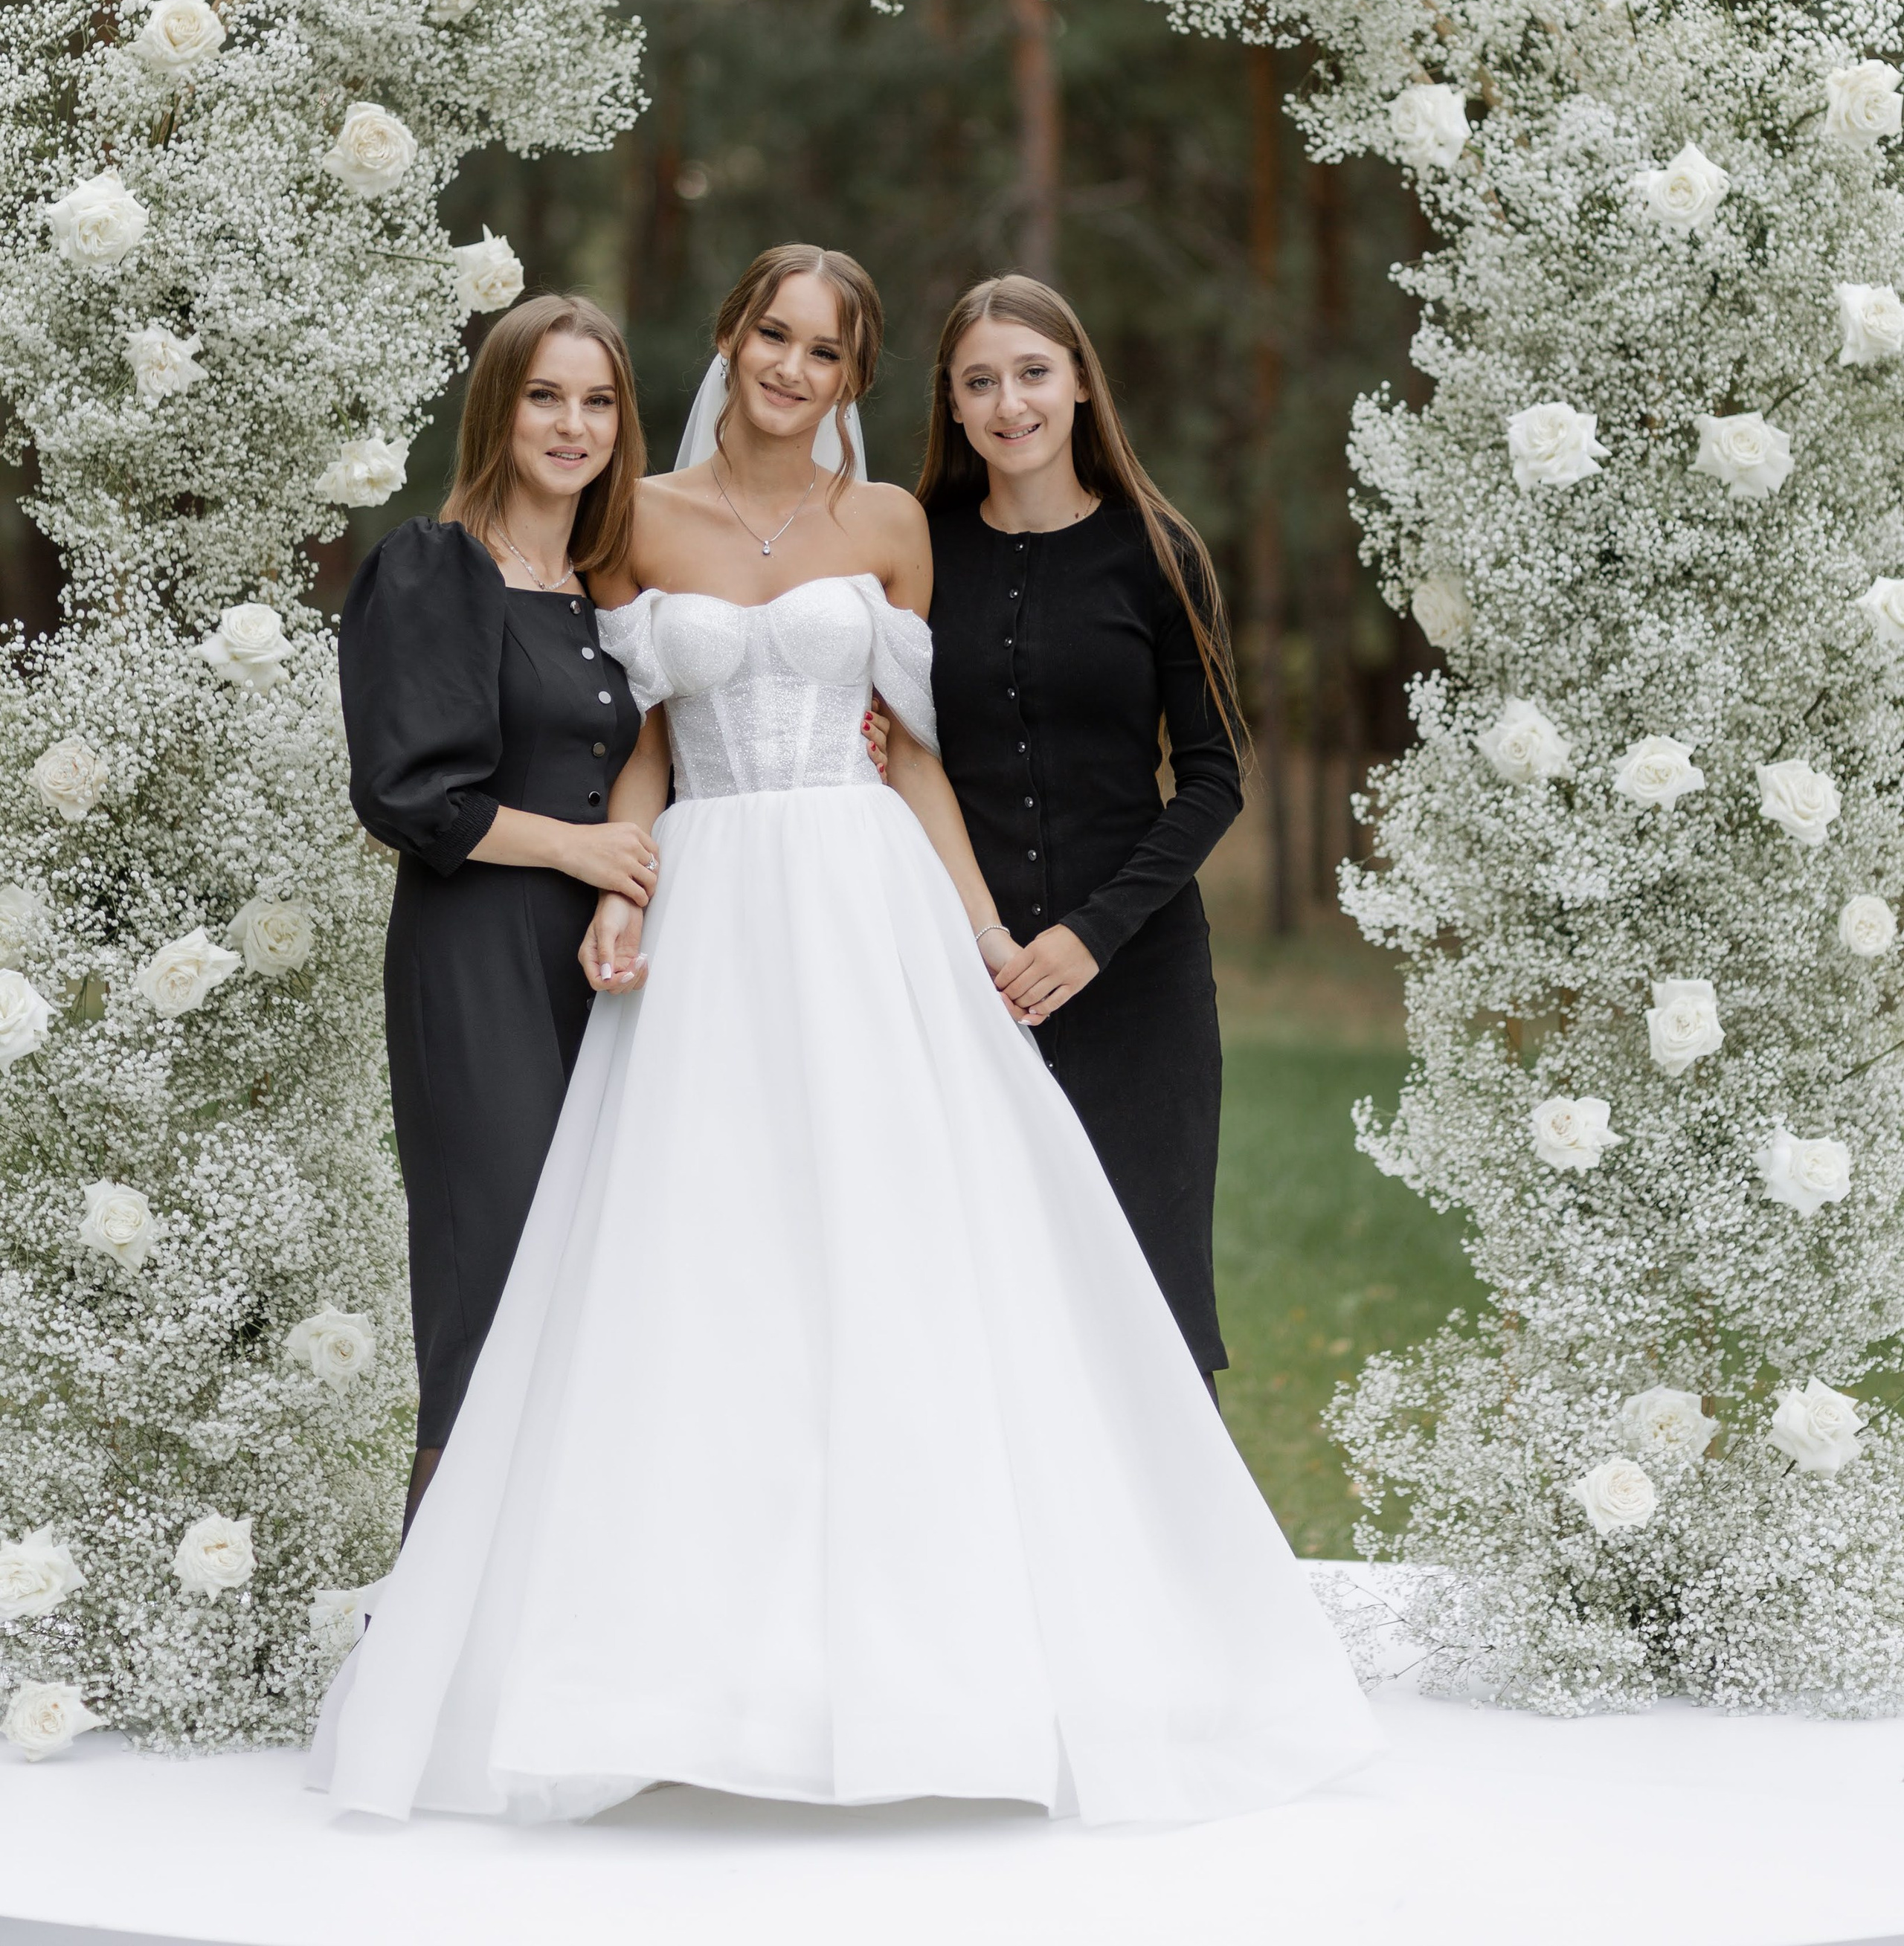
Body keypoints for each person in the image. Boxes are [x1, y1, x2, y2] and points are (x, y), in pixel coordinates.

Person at [314, 245, 1379, 1827]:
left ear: (856, 378)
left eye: (825, 351)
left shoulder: (888, 526)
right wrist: (621, 885)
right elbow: (644, 737)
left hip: (859, 892)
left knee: (903, 1250)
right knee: (701, 1259)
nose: (791, 369)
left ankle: (931, 1650)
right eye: (773, 336)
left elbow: (915, 753)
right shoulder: (636, 519)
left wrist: (983, 933)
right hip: (711, 901)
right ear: (729, 340)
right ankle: (680, 1661)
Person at [337, 295, 654, 1535]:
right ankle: (428, 1610)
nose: (573, 425)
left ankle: (558, 1598)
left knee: (597, 1282)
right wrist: (584, 848)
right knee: (499, 1276)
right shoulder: (437, 565)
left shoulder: (605, 589)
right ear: (499, 410)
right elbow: (409, 797)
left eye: (598, 400)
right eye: (545, 396)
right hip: (476, 956)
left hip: (603, 967)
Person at [919, 274, 1243, 1391]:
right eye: (980, 381)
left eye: (1033, 373)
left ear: (1081, 383)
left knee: (1153, 1302)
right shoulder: (918, 549)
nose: (1009, 403)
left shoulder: (1159, 549)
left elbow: (1213, 778)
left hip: (1137, 980)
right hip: (966, 977)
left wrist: (1091, 936)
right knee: (984, 1302)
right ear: (952, 404)